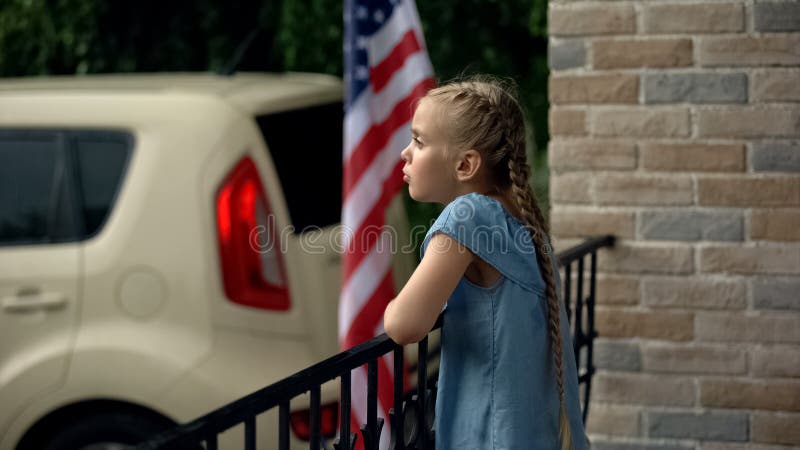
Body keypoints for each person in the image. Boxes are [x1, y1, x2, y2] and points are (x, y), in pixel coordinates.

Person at [383, 76, 587, 450]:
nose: (405, 153)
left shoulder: (467, 216)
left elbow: (404, 325)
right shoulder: (524, 224)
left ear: (465, 165)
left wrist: (392, 306)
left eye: (419, 141)